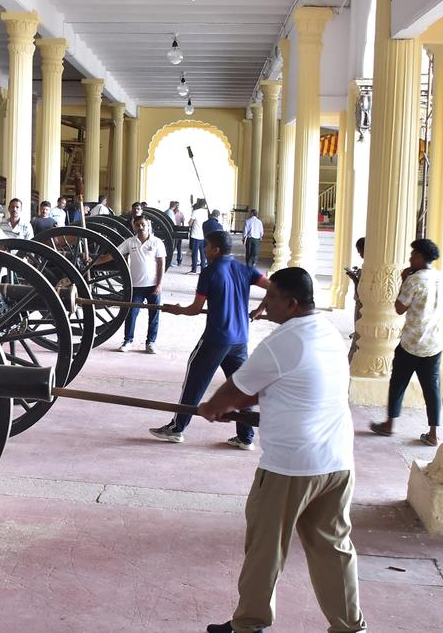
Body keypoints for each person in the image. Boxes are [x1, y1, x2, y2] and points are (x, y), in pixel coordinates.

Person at [199, 267, 366, 633]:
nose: (265, 303)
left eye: (271, 297)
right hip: (336, 461)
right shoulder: (326, 331)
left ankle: (250, 624)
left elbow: (235, 391)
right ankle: (350, 627)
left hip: (290, 466)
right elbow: (281, 385)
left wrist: (213, 408)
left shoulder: (282, 341)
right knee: (333, 548)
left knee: (265, 548)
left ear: (290, 304)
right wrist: (236, 407)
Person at [150, 230, 269, 449]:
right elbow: (274, 287)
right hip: (240, 339)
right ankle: (245, 437)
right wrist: (261, 309)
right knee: (242, 387)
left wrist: (176, 310)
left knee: (194, 382)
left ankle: (177, 429)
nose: (204, 249)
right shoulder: (245, 269)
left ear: (216, 249)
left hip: (216, 338)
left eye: (206, 246)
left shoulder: (209, 272)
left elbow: (196, 309)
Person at [370, 238, 443, 446]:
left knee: (398, 383)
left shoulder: (414, 280)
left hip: (411, 343)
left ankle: (389, 425)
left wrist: (404, 279)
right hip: (434, 343)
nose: (410, 258)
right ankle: (433, 433)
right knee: (432, 388)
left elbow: (399, 308)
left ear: (421, 257)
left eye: (413, 255)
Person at [119, 216, 166, 353]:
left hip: (153, 285)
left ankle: (151, 343)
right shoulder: (130, 242)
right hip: (135, 286)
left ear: (148, 225)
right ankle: (128, 341)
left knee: (154, 315)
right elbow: (113, 254)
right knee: (131, 314)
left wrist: (159, 284)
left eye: (143, 224)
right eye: (137, 225)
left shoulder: (157, 242)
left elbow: (161, 264)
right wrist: (94, 261)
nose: (140, 227)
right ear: (134, 226)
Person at [343, 237, 365, 363]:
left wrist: (354, 278)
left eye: (360, 250)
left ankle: (352, 361)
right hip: (362, 304)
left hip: (362, 306)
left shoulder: (367, 267)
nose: (359, 254)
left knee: (359, 334)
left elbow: (360, 292)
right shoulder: (366, 267)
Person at [188, 200, 210, 273]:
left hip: (195, 235)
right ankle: (203, 270)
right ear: (205, 205)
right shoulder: (207, 212)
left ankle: (194, 270)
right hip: (204, 236)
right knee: (203, 254)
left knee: (194, 253)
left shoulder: (195, 212)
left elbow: (190, 223)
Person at [166, 201, 185, 266]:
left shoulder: (170, 212)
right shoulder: (171, 213)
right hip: (174, 232)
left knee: (177, 247)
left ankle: (178, 260)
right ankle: (171, 261)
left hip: (176, 232)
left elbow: (182, 222)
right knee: (173, 247)